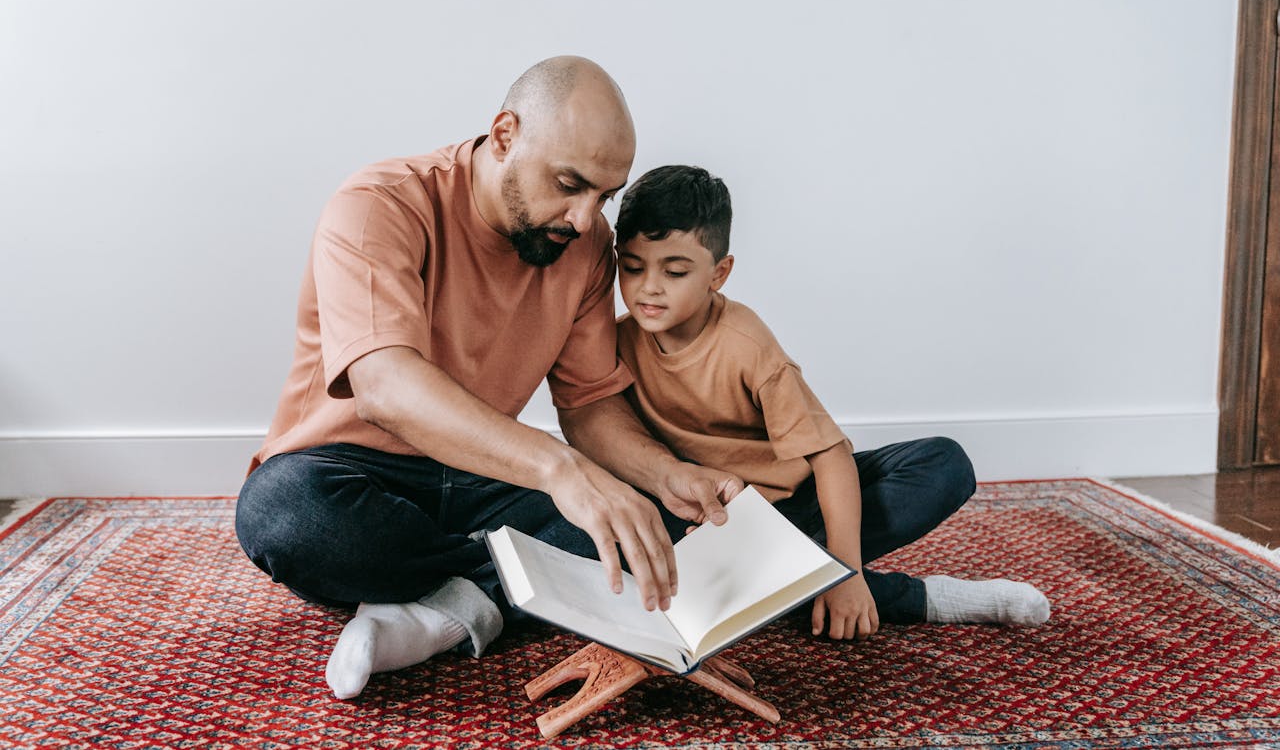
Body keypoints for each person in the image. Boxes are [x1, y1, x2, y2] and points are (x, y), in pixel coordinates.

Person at [234, 58, 742, 700]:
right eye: (569, 184)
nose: (586, 220)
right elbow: (386, 388)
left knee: (649, 525)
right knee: (284, 515)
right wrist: (562, 472)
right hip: (350, 472)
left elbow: (589, 407)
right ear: (504, 135)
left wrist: (667, 476)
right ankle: (500, 586)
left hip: (485, 476)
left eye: (604, 197)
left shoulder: (582, 246)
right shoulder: (379, 205)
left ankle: (446, 606)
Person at [613, 165, 1050, 642]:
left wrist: (846, 569)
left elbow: (831, 456)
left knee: (944, 462)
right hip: (702, 521)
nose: (649, 287)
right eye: (632, 267)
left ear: (719, 274)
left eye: (674, 271)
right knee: (594, 547)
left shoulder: (746, 344)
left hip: (790, 509)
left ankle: (802, 577)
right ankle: (915, 597)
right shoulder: (612, 342)